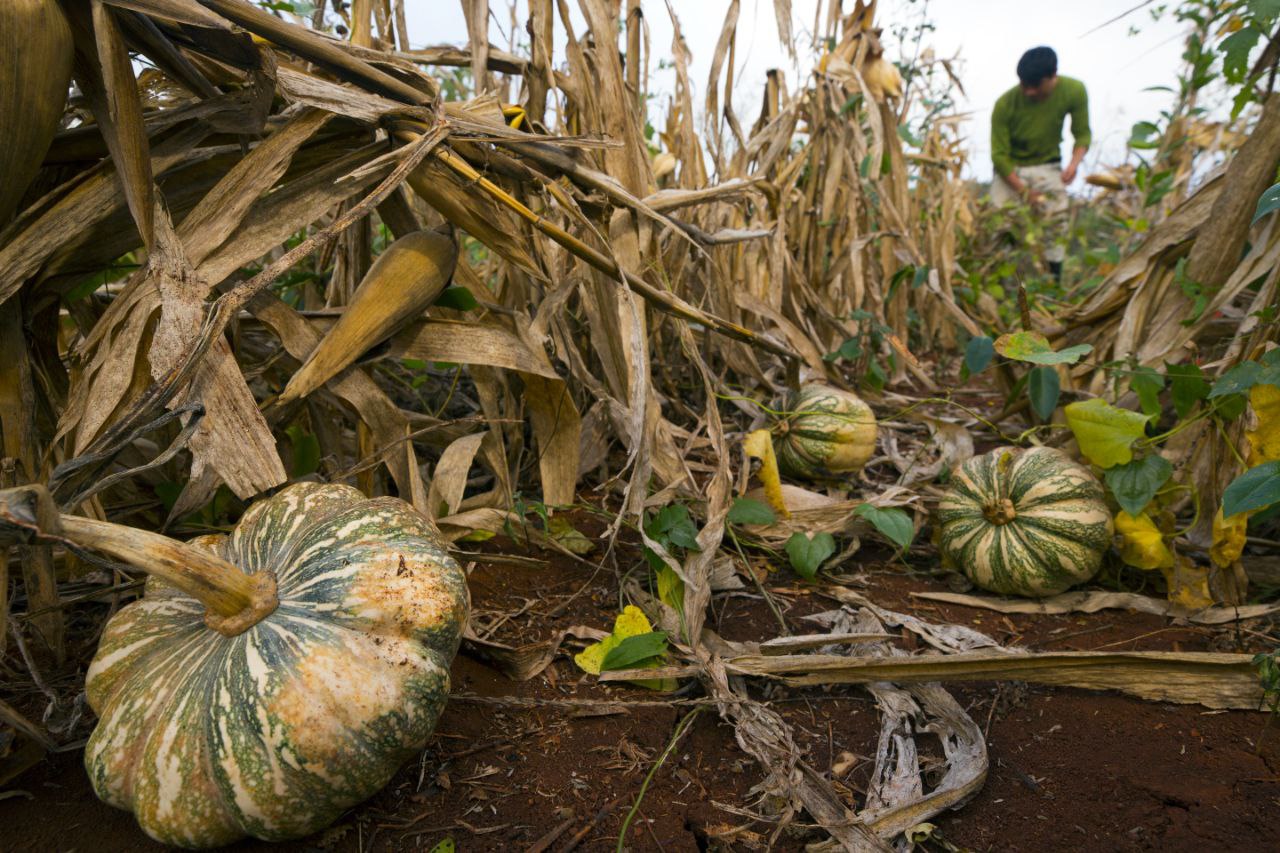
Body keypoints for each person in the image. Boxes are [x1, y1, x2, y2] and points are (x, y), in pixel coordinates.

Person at [990, 46, 1091, 279]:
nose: (1028, 91)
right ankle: (999, 281)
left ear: (1052, 77)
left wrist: (1074, 164)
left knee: (1057, 224)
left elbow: (1083, 134)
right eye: (1024, 84)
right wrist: (1025, 192)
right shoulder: (1004, 104)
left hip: (1048, 167)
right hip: (1011, 171)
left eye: (1035, 85)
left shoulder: (1074, 91)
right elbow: (999, 156)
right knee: (999, 224)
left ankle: (1052, 284)